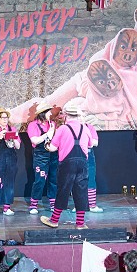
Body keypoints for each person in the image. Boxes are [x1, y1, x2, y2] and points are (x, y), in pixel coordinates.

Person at [40, 98, 96, 230]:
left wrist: (47, 144)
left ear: (66, 116)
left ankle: (54, 220)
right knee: (81, 191)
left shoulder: (63, 128)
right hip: (83, 163)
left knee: (63, 191)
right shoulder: (85, 128)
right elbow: (91, 145)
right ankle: (80, 223)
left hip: (67, 164)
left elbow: (52, 148)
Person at [25, 102, 59, 215]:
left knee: (53, 179)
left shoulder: (52, 123)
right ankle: (34, 204)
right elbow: (35, 140)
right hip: (40, 155)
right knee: (40, 179)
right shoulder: (33, 125)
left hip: (53, 154)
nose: (50, 114)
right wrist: (47, 134)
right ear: (43, 113)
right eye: (48, 112)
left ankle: (53, 204)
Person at [0, 108, 21, 216]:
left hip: (11, 158)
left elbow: (18, 146)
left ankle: (7, 207)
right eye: (2, 117)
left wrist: (13, 137)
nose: (5, 119)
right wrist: (0, 137)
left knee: (9, 183)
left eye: (6, 117)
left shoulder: (12, 129)